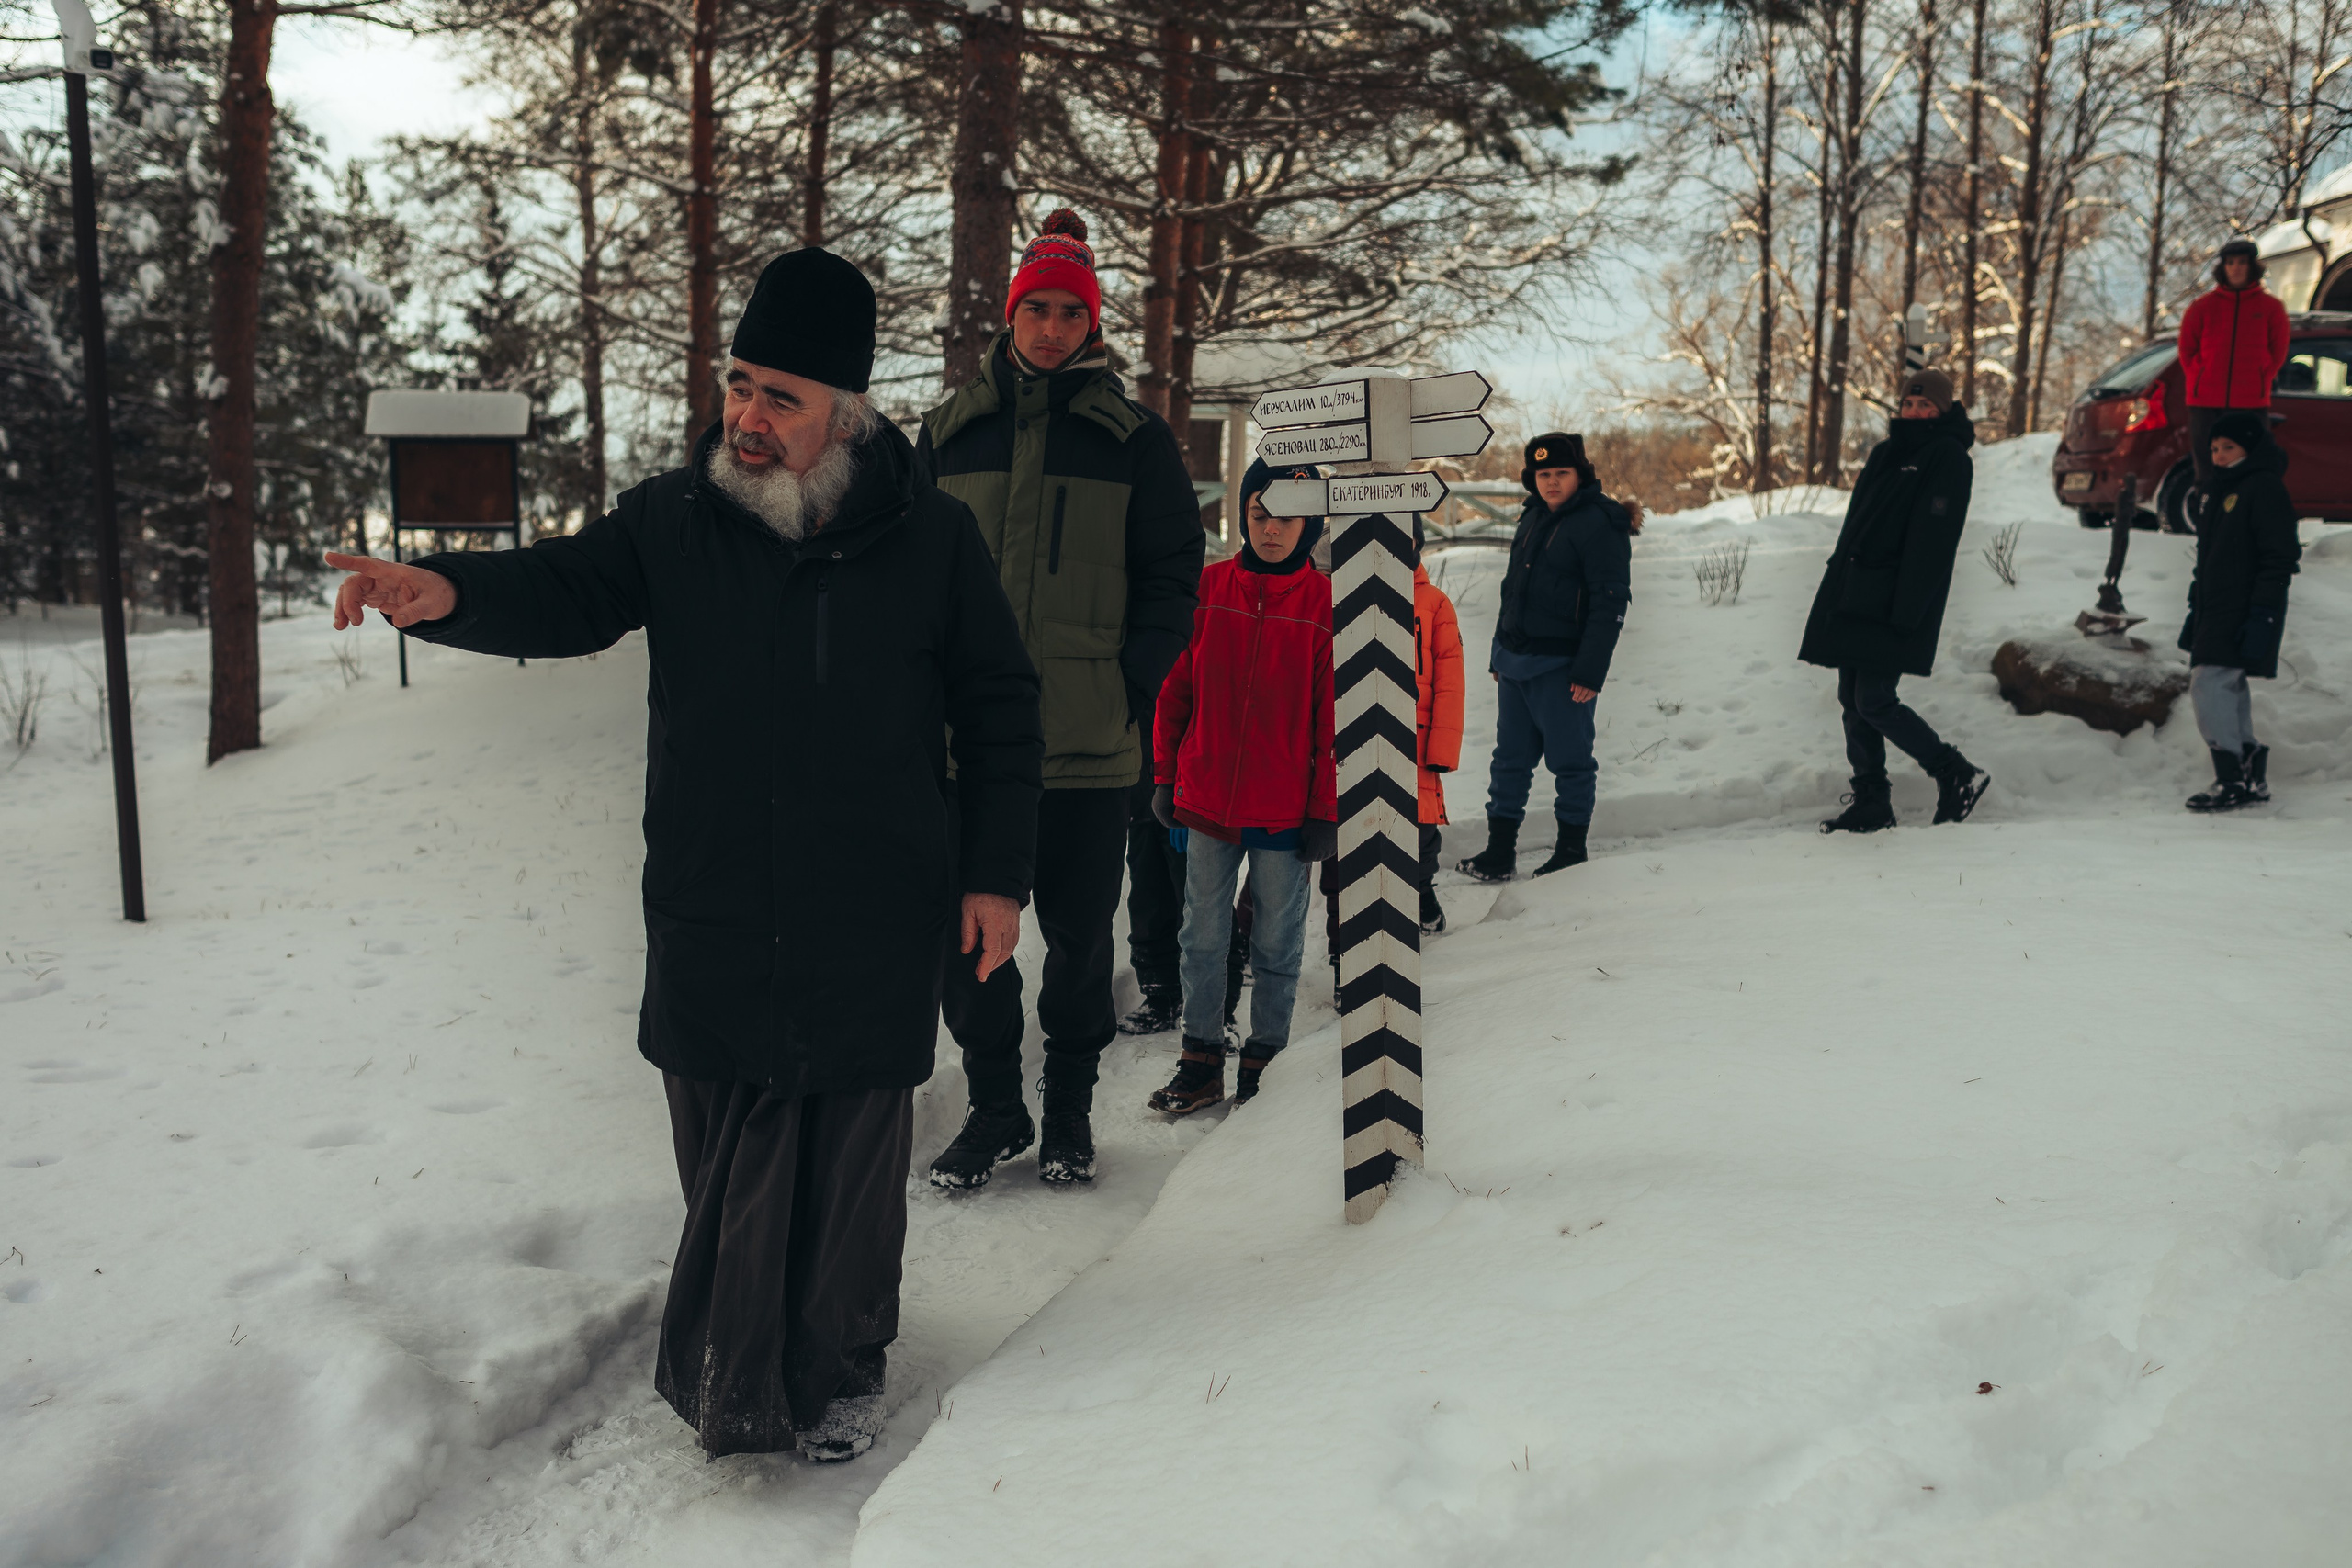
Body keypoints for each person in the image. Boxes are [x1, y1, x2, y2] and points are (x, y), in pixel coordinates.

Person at [321, 249, 1044, 1464]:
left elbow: (1000, 702)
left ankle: (843, 1358)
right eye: (739, 383)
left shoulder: (933, 541)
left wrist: (994, 874)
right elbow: (565, 588)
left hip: (873, 902)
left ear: (847, 414)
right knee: (724, 1141)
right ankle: (737, 1357)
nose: (747, 417)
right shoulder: (677, 519)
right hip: (716, 896)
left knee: (849, 1154)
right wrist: (441, 590)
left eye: (782, 397)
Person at [916, 209, 1206, 1190]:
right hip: (966, 751)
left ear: (1092, 324)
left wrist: (1133, 683)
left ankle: (1069, 1114)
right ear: (1011, 314)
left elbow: (1174, 574)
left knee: (1081, 946)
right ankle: (996, 1109)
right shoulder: (950, 432)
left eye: (1067, 313)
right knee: (968, 948)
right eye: (1034, 309)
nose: (1049, 329)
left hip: (1089, 745)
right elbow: (901, 576)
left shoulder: (1134, 441)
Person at [1145, 460, 1337, 1114]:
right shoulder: (1207, 589)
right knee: (1201, 934)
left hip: (1285, 810)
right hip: (1205, 800)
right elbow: (1174, 694)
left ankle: (1265, 1063)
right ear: (1242, 514)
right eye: (1259, 515)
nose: (1272, 529)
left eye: (1286, 516)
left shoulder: (1324, 605)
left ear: (1309, 522)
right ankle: (1200, 1058)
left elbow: (1330, 722)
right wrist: (1166, 776)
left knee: (1278, 942)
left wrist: (1324, 810)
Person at [1799, 368, 1992, 832]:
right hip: (1855, 593)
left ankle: (1956, 772)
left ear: (1944, 410)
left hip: (1894, 601)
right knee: (1852, 697)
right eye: (1909, 404)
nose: (1916, 412)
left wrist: (1908, 610)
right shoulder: (1887, 453)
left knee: (1875, 698)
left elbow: (1933, 542)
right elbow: (1856, 530)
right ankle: (1872, 800)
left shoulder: (1947, 457)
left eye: (1927, 406)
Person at [1459, 434, 1632, 883]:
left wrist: (1590, 672)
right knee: (1509, 761)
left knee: (1571, 762)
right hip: (1515, 664)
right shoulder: (1534, 515)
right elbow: (1513, 588)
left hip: (1563, 669)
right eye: (1543, 475)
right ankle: (1500, 853)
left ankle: (1571, 850)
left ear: (1581, 474)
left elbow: (1609, 601)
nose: (1552, 482)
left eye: (1561, 473)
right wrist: (1499, 650)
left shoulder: (1601, 522)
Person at [2179, 412, 2301, 811]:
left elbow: (2279, 556)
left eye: (2228, 447)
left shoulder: (2263, 488)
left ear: (2250, 448)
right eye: (2214, 448)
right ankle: (2248, 775)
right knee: (2226, 686)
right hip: (2216, 605)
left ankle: (2231, 777)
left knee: (2208, 684)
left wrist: (2263, 612)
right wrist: (2196, 604)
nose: (2218, 455)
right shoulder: (2218, 488)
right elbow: (2209, 556)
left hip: (2246, 606)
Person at [2177, 239, 2292, 510]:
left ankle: (2246, 527)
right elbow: (2187, 351)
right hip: (2205, 404)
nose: (2236, 268)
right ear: (2223, 268)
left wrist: (2261, 376)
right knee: (2207, 471)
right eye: (2230, 263)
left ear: (2252, 266)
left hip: (2251, 402)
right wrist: (2200, 376)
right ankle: (2209, 528)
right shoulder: (2202, 307)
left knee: (2254, 467)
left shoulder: (2271, 308)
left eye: (2242, 262)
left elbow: (2278, 351)